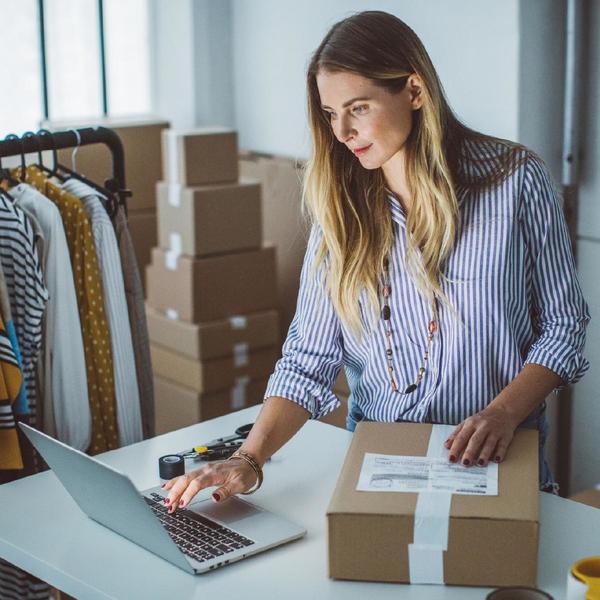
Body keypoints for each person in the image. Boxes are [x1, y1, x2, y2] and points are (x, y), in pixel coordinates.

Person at [163, 10, 590, 511]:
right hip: (380, 461)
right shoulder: (340, 210)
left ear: (413, 90)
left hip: (497, 458)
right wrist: (249, 459)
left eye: (358, 108)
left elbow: (564, 326)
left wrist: (501, 413)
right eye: (329, 113)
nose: (341, 131)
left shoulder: (515, 181)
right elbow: (308, 360)